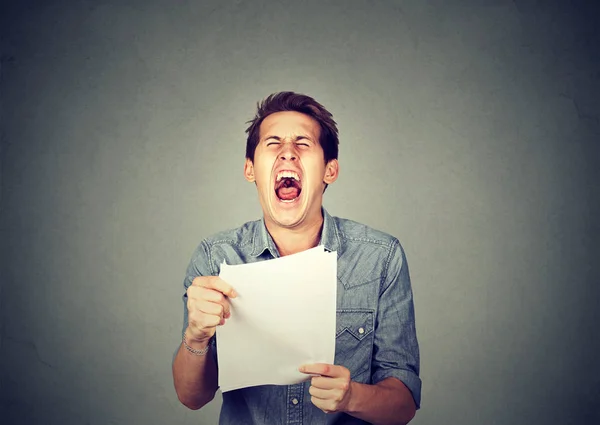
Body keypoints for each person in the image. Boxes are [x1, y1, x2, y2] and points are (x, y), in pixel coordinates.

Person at [172, 92, 421, 425]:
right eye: (273, 143)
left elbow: (403, 405)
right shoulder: (215, 257)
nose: (287, 152)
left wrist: (351, 397)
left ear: (329, 170)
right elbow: (192, 398)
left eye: (303, 144)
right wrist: (196, 336)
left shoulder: (381, 257)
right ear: (250, 169)